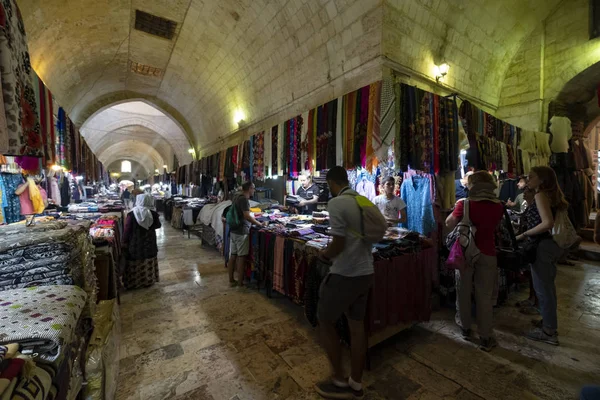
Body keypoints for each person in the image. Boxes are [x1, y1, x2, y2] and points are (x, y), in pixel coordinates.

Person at [314, 166, 375, 399]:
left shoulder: (337, 203)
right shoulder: (363, 200)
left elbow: (338, 244)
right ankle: (356, 383)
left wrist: (324, 255)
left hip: (345, 274)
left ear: (331, 182)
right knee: (357, 326)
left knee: (325, 320)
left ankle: (339, 380)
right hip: (366, 271)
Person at [446, 171, 504, 351]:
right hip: (488, 253)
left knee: (463, 290)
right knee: (484, 296)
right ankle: (486, 336)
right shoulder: (499, 205)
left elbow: (449, 223)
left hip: (465, 252)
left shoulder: (465, 204)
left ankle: (465, 328)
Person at [516, 166, 568, 346]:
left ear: (542, 180)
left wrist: (524, 234)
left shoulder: (540, 195)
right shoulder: (550, 196)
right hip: (550, 245)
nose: (528, 179)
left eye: (532, 177)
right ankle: (548, 322)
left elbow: (547, 223)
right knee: (547, 287)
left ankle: (549, 331)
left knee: (543, 288)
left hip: (542, 245)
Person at [228, 181, 265, 288]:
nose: (254, 190)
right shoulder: (244, 199)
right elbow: (247, 216)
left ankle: (231, 280)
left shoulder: (236, 196)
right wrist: (259, 223)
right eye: (253, 188)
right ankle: (240, 283)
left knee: (233, 255)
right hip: (241, 231)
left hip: (234, 229)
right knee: (241, 257)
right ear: (249, 188)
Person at [122, 194, 162, 289]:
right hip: (149, 242)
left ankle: (135, 283)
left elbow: (127, 230)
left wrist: (124, 241)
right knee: (148, 258)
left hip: (136, 243)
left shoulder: (132, 214)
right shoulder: (153, 214)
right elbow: (158, 225)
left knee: (135, 260)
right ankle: (148, 280)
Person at [515, 187, 540, 315]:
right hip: (529, 244)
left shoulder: (536, 208)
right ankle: (531, 299)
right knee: (531, 275)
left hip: (535, 245)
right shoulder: (530, 206)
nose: (524, 193)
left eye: (528, 191)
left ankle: (537, 304)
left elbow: (535, 228)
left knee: (537, 277)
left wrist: (521, 236)